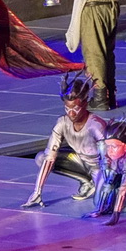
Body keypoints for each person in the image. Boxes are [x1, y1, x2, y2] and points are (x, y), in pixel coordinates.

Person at [22, 73, 106, 208]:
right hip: (81, 161)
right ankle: (86, 182)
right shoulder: (62, 122)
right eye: (67, 108)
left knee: (104, 203)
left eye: (75, 108)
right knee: (41, 158)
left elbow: (109, 158)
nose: (71, 113)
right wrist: (37, 192)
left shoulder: (96, 125)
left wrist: (106, 182)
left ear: (85, 104)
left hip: (100, 167)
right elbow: (50, 156)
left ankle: (97, 184)